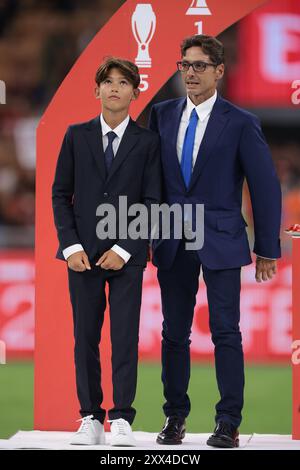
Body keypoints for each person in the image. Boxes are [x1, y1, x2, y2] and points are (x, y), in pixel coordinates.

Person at [149, 35, 281, 448]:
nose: (190, 72)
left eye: (200, 65)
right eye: (185, 64)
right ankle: (174, 418)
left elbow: (265, 188)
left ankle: (228, 422)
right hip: (171, 236)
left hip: (222, 238)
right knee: (173, 333)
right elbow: (148, 180)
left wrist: (267, 248)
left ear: (219, 71)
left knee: (226, 331)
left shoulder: (241, 122)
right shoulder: (160, 115)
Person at [52, 57, 161, 446]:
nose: (115, 88)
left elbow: (152, 201)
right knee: (85, 337)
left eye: (123, 82)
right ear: (96, 90)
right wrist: (71, 246)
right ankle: (90, 417)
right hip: (81, 256)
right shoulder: (75, 135)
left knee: (125, 336)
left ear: (135, 91)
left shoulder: (147, 142)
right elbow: (60, 195)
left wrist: (124, 248)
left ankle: (121, 418)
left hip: (126, 258)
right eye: (108, 82)